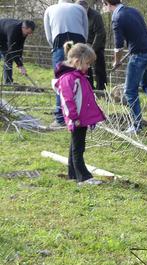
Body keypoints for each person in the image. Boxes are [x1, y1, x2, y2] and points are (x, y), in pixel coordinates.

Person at [101, 0, 147, 133]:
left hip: (138, 57)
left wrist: (116, 61)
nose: (103, 7)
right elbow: (139, 35)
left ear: (107, 3)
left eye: (103, 4)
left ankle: (136, 126)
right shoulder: (134, 11)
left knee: (130, 91)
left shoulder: (117, 18)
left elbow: (118, 47)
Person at [52, 41, 106, 185]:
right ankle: (84, 177)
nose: (89, 67)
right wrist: (74, 117)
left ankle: (73, 174)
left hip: (81, 118)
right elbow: (67, 100)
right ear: (77, 61)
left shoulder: (78, 76)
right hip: (77, 119)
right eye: (87, 64)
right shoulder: (69, 79)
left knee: (75, 145)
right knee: (78, 148)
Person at [44, 0, 88, 128]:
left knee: (60, 80)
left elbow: (49, 36)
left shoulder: (49, 9)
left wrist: (55, 48)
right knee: (80, 78)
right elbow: (85, 31)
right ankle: (82, 114)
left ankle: (60, 117)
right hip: (79, 44)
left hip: (59, 43)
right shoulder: (80, 9)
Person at [78, 0, 106, 90]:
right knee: (86, 69)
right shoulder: (77, 15)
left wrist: (92, 49)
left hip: (96, 45)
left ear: (86, 8)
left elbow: (100, 33)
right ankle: (89, 88)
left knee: (99, 68)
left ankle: (101, 89)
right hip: (84, 45)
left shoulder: (96, 16)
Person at [0, 19, 35, 85]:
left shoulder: (23, 31)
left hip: (4, 37)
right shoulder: (13, 30)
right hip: (2, 36)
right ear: (24, 28)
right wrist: (20, 65)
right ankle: (8, 82)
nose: (29, 35)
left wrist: (20, 57)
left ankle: (8, 82)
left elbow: (20, 45)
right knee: (8, 57)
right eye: (28, 33)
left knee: (8, 59)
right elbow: (12, 49)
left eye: (30, 33)